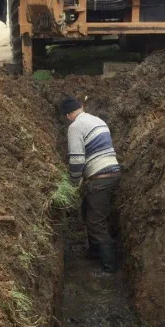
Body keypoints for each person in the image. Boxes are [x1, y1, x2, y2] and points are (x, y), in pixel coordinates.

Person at [60, 96, 121, 275]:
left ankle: (110, 267)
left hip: (100, 177)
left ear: (68, 114)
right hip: (111, 174)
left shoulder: (75, 126)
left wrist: (73, 184)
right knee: (88, 211)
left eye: (66, 116)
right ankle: (95, 252)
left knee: (96, 222)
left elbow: (77, 159)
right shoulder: (97, 120)